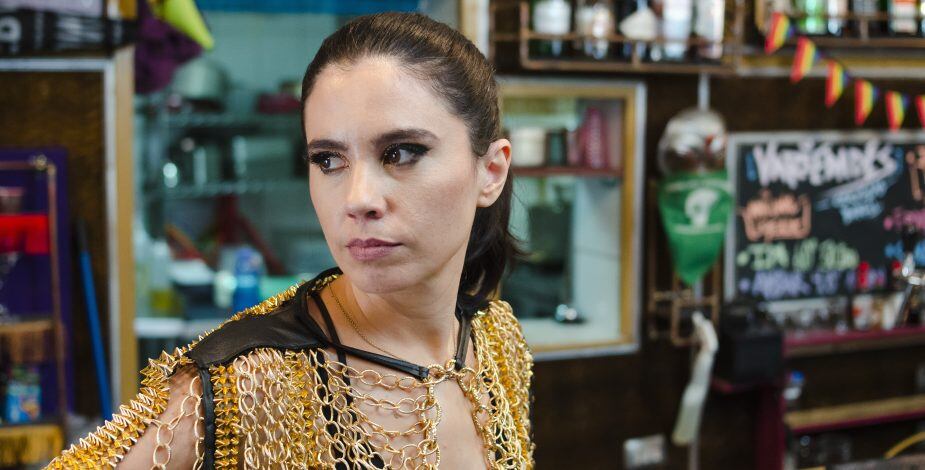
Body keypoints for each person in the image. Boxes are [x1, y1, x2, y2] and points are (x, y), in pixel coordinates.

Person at [49, 12, 534, 469]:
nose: (358, 199)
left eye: (401, 153)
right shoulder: (246, 381)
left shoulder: (496, 341)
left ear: (491, 171)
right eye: (328, 160)